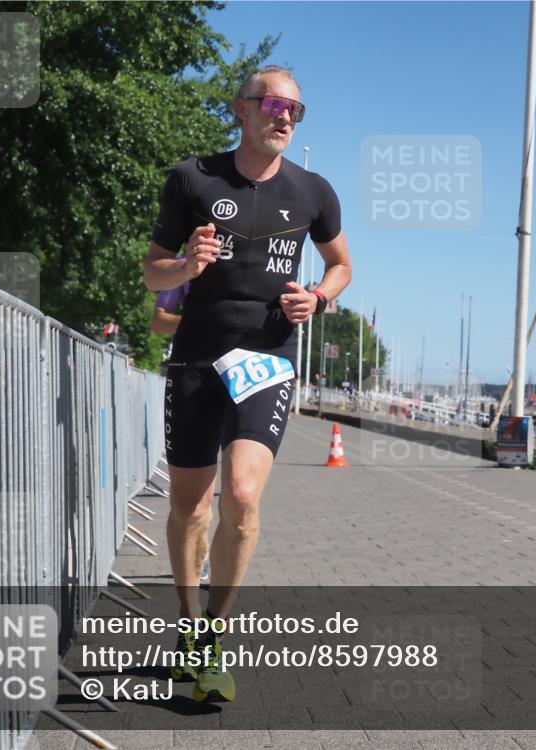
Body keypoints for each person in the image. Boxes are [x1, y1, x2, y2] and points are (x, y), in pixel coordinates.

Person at [142, 65, 352, 702]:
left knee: (241, 495)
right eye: (273, 103)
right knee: (188, 506)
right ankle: (186, 627)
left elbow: (341, 266)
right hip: (196, 360)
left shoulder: (313, 190)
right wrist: (187, 263)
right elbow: (154, 276)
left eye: (295, 107)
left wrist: (316, 297)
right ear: (241, 110)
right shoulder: (193, 178)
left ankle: (213, 638)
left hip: (267, 360)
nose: (284, 115)